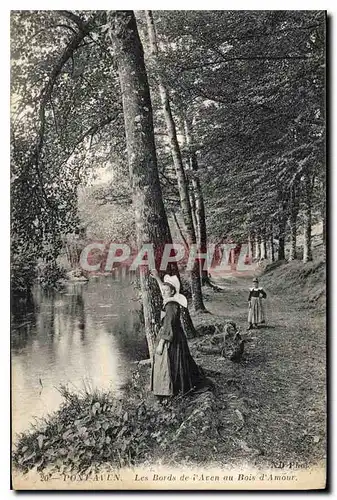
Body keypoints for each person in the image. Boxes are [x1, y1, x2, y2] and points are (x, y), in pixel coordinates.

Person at [149, 270, 210, 398]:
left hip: (172, 338)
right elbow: (163, 289)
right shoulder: (170, 300)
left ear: (172, 292)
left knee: (173, 362)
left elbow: (168, 325)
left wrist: (161, 343)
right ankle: (176, 388)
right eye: (163, 290)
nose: (163, 293)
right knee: (178, 362)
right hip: (176, 336)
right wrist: (157, 278)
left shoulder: (171, 306)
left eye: (166, 291)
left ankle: (173, 389)